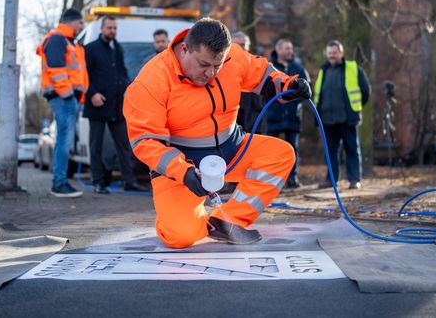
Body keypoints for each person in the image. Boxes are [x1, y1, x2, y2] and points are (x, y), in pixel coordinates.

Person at [123, 17, 311, 248]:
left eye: (217, 65)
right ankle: (181, 216)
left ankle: (226, 220)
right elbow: (145, 141)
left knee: (280, 154)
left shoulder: (232, 55)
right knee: (180, 238)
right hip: (182, 166)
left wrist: (289, 85)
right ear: (185, 50)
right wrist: (183, 172)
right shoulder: (151, 81)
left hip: (232, 151)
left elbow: (262, 74)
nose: (211, 73)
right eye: (203, 65)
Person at [84, 16, 147, 194]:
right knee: (95, 145)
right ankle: (98, 183)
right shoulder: (90, 49)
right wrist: (92, 94)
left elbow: (122, 72)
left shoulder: (117, 48)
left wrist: (129, 86)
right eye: (109, 27)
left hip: (117, 104)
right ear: (101, 29)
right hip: (97, 104)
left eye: (114, 28)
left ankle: (129, 180)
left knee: (124, 145)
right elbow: (84, 75)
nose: (112, 31)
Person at [36, 8, 88, 198]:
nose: (82, 27)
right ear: (72, 22)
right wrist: (68, 95)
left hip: (66, 97)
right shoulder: (58, 39)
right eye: (80, 23)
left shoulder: (67, 41)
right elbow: (55, 70)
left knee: (65, 140)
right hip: (63, 97)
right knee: (64, 140)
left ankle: (60, 182)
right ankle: (59, 183)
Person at [313, 40, 370, 190]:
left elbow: (365, 91)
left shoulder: (353, 68)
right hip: (327, 120)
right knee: (330, 152)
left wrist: (354, 108)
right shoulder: (323, 70)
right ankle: (331, 179)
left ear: (341, 53)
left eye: (334, 52)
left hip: (347, 119)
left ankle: (354, 179)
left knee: (351, 149)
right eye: (329, 53)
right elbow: (318, 94)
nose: (332, 55)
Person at [266, 38, 311, 189]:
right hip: (273, 115)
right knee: (270, 150)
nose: (289, 51)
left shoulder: (298, 68)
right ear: (278, 50)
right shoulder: (270, 68)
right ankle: (270, 180)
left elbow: (308, 90)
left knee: (293, 149)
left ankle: (292, 178)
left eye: (291, 48)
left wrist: (296, 103)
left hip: (293, 116)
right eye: (286, 48)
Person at [232, 31, 265, 134]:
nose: (240, 48)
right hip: (231, 114)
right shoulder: (222, 65)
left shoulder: (256, 65)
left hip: (251, 114)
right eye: (237, 45)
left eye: (243, 45)